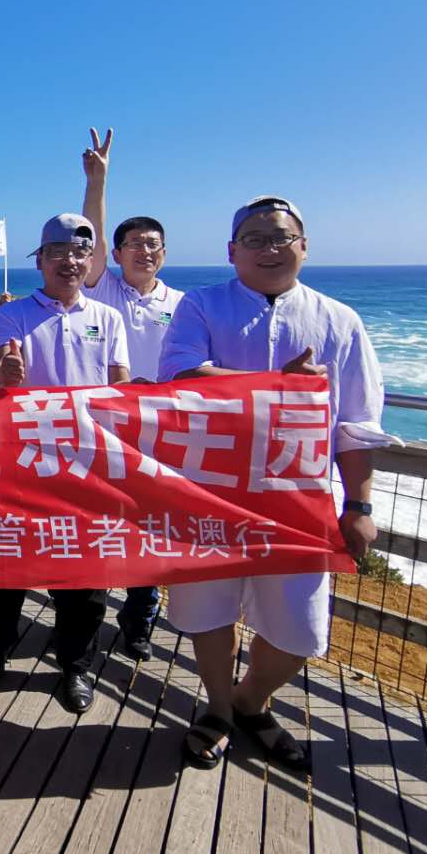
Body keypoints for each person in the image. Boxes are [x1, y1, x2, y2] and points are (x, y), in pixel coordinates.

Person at [158, 196, 387, 771]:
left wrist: (359, 504)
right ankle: (217, 708)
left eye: (281, 237)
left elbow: (357, 424)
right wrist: (275, 383)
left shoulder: (340, 321)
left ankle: (251, 700)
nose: (269, 248)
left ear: (304, 247)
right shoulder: (201, 305)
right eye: (254, 239)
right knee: (207, 611)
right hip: (209, 491)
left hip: (300, 501)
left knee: (300, 630)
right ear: (231, 251)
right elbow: (178, 374)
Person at [0, 213, 131, 714]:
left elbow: (121, 384)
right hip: (23, 459)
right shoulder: (14, 315)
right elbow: (1, 373)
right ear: (40, 260)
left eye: (79, 253)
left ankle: (75, 664)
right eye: (58, 252)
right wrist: (7, 372)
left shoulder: (109, 318)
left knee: (85, 572)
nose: (69, 261)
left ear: (91, 261)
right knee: (8, 562)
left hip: (89, 462)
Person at [79, 127, 185, 662]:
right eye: (135, 244)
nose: (145, 251)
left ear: (164, 253)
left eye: (153, 244)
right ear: (116, 253)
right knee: (99, 526)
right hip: (106, 429)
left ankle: (139, 622)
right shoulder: (104, 289)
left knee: (152, 530)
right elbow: (91, 239)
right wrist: (98, 181)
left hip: (162, 432)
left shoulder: (184, 303)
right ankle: (81, 626)